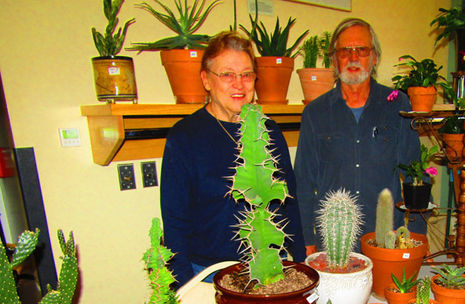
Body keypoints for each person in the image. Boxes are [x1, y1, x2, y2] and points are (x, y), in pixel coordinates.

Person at [160, 31, 306, 288]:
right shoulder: (184, 137)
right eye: (227, 74)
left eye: (246, 74)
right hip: (208, 275)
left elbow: (289, 204)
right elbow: (175, 224)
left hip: (271, 267)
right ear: (206, 80)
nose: (239, 84)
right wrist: (184, 290)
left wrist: (303, 264)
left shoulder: (268, 131)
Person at [294, 18, 423, 254]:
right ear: (334, 59)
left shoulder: (397, 105)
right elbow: (302, 184)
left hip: (387, 242)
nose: (353, 57)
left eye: (361, 50)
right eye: (345, 51)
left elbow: (416, 176)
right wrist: (307, 241)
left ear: (374, 58)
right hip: (332, 245)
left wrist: (417, 238)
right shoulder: (315, 113)